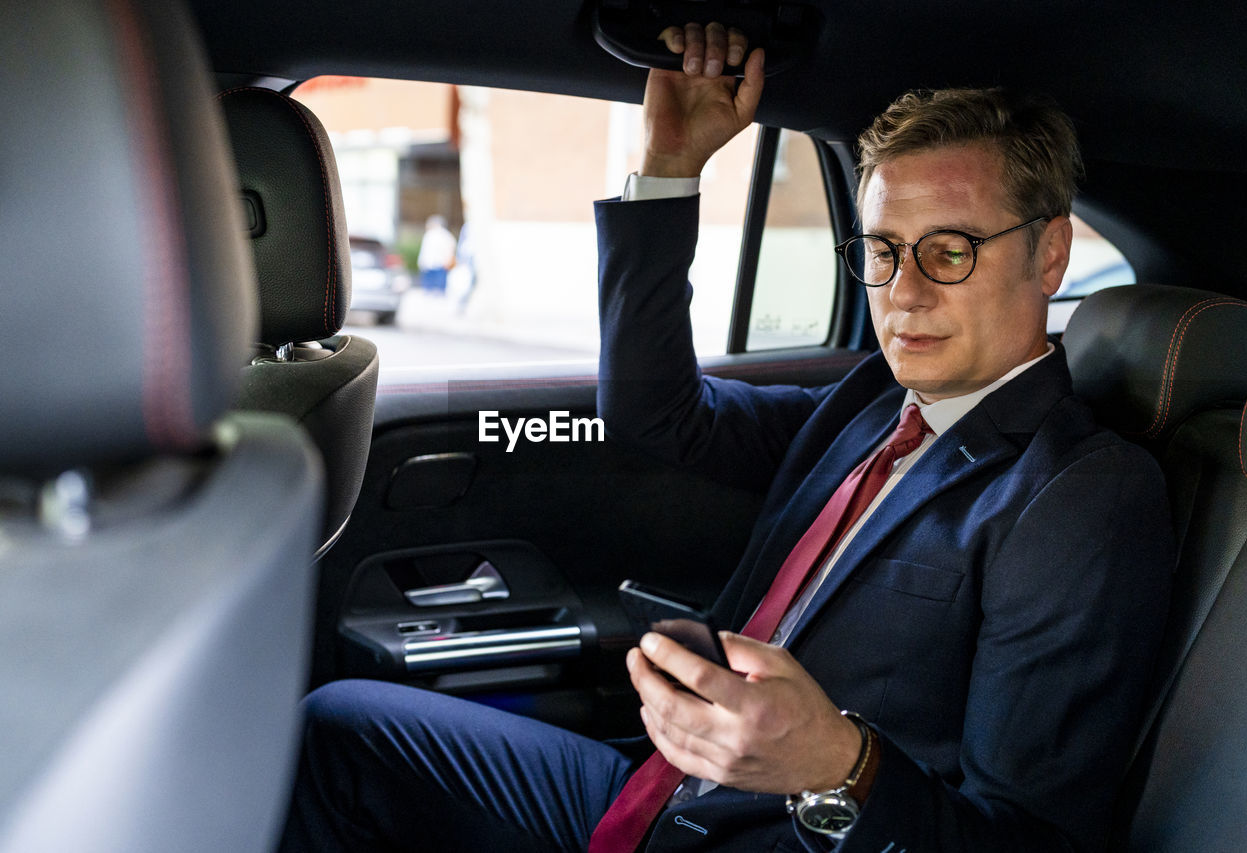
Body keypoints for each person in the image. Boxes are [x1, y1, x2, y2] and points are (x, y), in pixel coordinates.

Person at [279, 24, 1173, 853]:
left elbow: (1027, 840)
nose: (903, 293)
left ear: (1049, 253)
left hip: (789, 830)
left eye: (950, 251)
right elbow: (655, 412)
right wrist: (671, 166)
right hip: (668, 788)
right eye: (883, 250)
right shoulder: (877, 399)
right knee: (342, 726)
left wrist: (842, 768)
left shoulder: (1080, 493)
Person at [417, 214, 456, 293]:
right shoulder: (445, 235)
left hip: (438, 265)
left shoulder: (440, 235)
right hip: (435, 265)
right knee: (437, 290)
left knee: (433, 289)